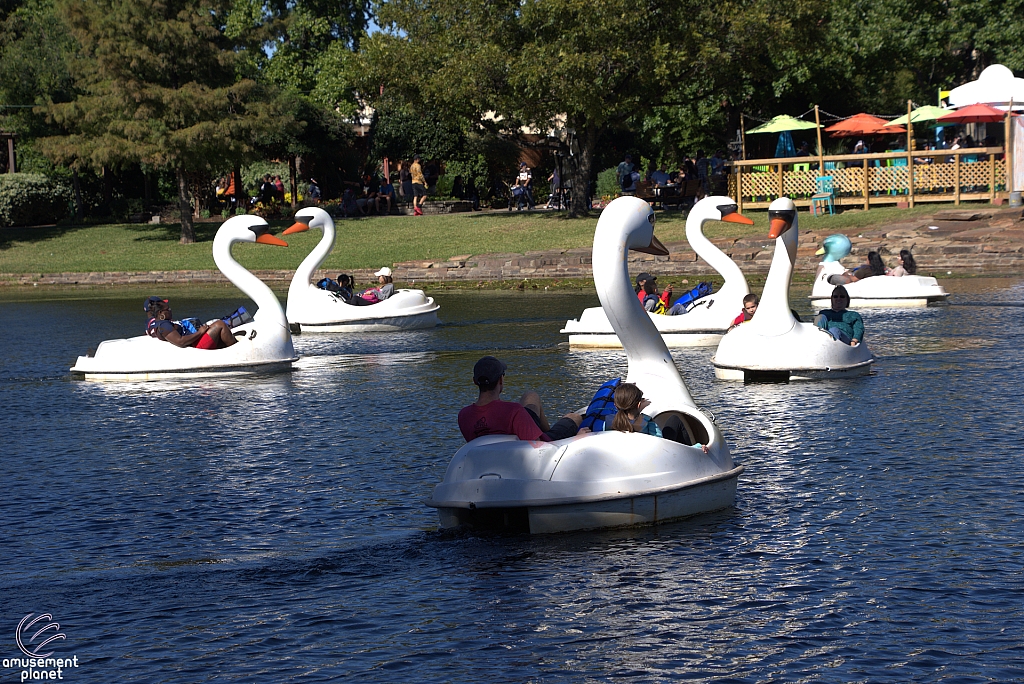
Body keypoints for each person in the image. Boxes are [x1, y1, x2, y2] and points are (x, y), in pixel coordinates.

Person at [457, 356, 584, 442]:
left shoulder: (464, 415)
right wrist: (575, 440)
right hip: (544, 444)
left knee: (531, 396)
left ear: (475, 381)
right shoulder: (513, 411)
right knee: (574, 417)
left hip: (495, 458)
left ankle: (543, 429)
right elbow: (541, 447)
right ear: (501, 380)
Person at [609, 382, 710, 451]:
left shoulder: (608, 423)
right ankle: (690, 451)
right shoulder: (647, 423)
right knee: (675, 420)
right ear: (639, 404)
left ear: (615, 405)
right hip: (653, 458)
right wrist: (697, 447)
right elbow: (662, 447)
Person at [144, 296, 236, 349]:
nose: (170, 310)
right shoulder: (163, 325)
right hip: (196, 346)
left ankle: (233, 347)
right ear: (161, 313)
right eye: (168, 309)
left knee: (219, 331)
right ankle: (237, 349)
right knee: (220, 324)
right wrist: (200, 332)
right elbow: (180, 341)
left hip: (195, 341)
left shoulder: (162, 323)